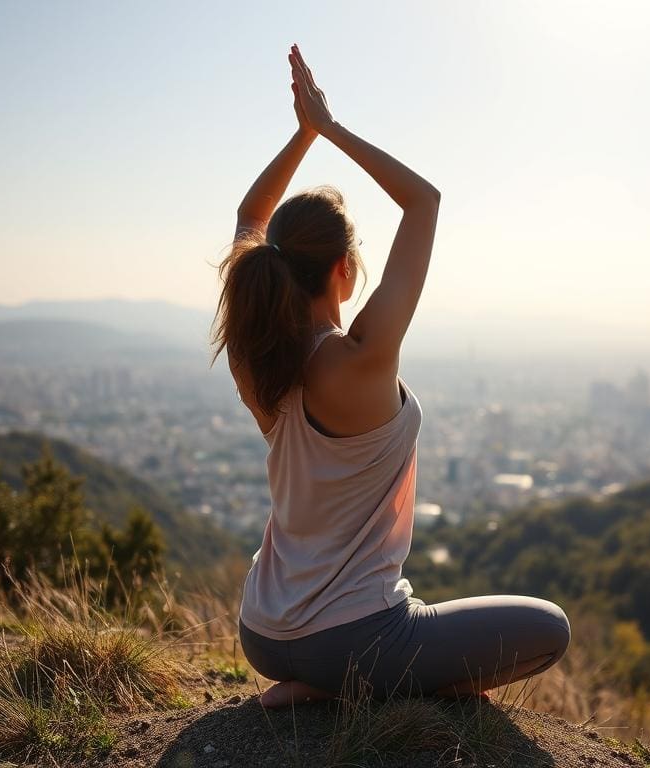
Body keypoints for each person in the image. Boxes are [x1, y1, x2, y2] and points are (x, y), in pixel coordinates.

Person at [210, 43, 570, 709]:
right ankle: (344, 688)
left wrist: (302, 136)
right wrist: (329, 127)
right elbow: (424, 203)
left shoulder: (257, 359)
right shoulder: (359, 360)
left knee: (423, 635)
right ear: (344, 270)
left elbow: (248, 222)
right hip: (352, 639)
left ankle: (315, 687)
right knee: (548, 628)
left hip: (261, 630)